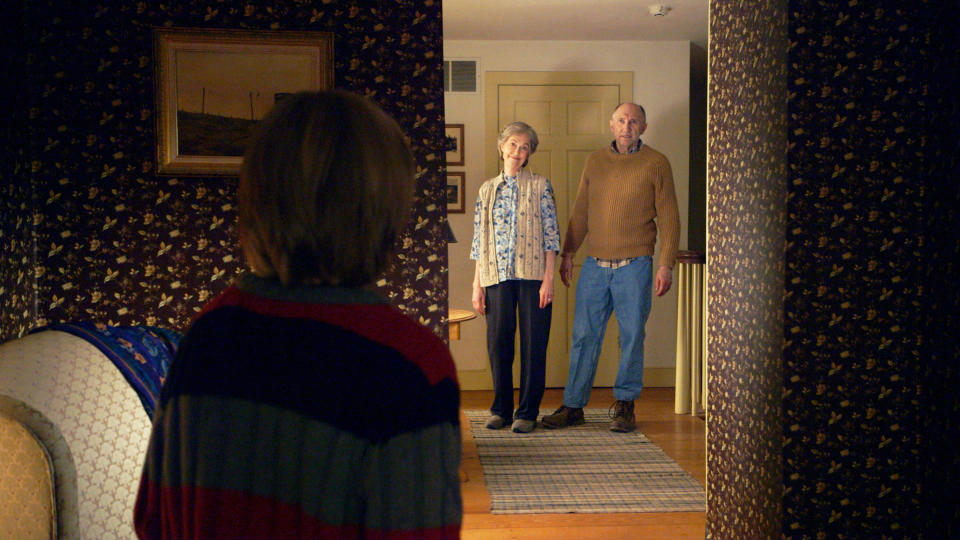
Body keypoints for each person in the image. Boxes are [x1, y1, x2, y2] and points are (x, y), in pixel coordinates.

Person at [134, 90, 462, 539]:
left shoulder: (210, 332)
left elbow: (154, 518)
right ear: (387, 206)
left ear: (257, 197)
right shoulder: (409, 366)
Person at [540, 102, 680, 433]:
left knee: (631, 336)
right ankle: (574, 406)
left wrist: (666, 264)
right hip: (594, 265)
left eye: (634, 121)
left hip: (636, 265)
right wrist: (569, 252)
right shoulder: (595, 161)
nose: (627, 126)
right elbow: (581, 210)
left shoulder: (657, 163)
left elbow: (670, 218)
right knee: (584, 336)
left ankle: (625, 406)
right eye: (621, 120)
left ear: (643, 128)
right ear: (611, 125)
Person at [470, 121, 560, 434]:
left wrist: (548, 279)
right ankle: (500, 410)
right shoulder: (487, 189)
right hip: (495, 276)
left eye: (524, 147)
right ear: (502, 146)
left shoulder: (540, 186)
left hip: (534, 276)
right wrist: (477, 285)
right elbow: (479, 240)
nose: (517, 151)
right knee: (498, 345)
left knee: (534, 345)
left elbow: (551, 237)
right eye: (513, 144)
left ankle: (527, 412)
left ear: (529, 153)